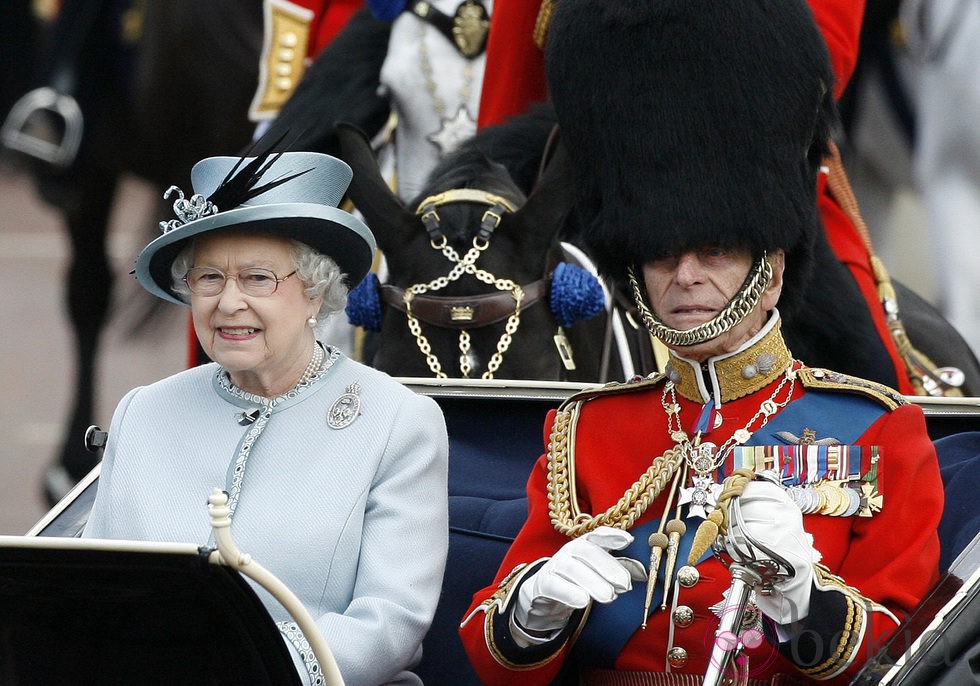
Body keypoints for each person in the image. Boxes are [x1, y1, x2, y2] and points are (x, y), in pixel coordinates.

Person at [459, 1, 943, 683]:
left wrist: (807, 604)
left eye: (713, 253)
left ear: (769, 271)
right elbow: (490, 652)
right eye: (659, 255)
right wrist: (531, 612)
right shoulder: (586, 430)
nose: (683, 277)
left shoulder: (879, 431)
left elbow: (903, 653)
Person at [81, 149, 450, 686]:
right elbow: (90, 589)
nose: (228, 302)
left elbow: (389, 625)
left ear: (315, 294)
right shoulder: (145, 411)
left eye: (257, 278)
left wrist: (243, 669)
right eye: (209, 278)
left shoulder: (397, 421)